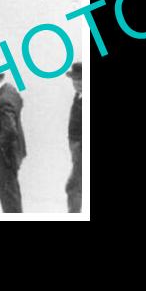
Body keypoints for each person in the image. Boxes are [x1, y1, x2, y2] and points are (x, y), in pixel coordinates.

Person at [0, 62, 27, 213]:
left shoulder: (3, 98)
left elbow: (10, 131)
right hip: (7, 148)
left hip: (4, 150)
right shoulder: (7, 90)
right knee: (9, 189)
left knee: (7, 190)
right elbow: (19, 103)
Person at [66, 62, 82, 213]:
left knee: (74, 186)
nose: (77, 83)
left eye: (81, 80)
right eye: (75, 79)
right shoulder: (78, 95)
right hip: (76, 146)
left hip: (82, 147)